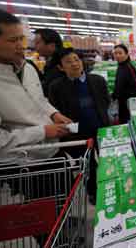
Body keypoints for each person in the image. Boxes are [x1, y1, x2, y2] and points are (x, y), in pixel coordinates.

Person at [0, 7, 73, 163]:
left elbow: (38, 99)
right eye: (13, 40)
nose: (22, 46)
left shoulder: (26, 67)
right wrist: (41, 132)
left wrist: (54, 114)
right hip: (21, 163)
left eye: (22, 38)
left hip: (51, 151)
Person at [48, 48, 111, 201]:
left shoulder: (97, 80)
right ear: (61, 67)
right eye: (68, 62)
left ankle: (109, 186)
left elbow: (106, 100)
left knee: (107, 158)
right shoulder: (56, 87)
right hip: (77, 133)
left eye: (76, 59)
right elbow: (54, 110)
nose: (75, 64)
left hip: (100, 127)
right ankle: (93, 191)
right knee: (87, 163)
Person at [112, 44, 136, 123]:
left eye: (120, 53)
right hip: (122, 101)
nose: (117, 55)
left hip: (128, 103)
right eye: (115, 53)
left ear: (127, 54)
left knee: (128, 121)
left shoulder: (129, 67)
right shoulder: (121, 66)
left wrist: (117, 95)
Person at [34, 28, 65, 97]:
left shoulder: (62, 62)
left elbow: (49, 89)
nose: (35, 47)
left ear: (52, 45)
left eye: (37, 43)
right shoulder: (51, 61)